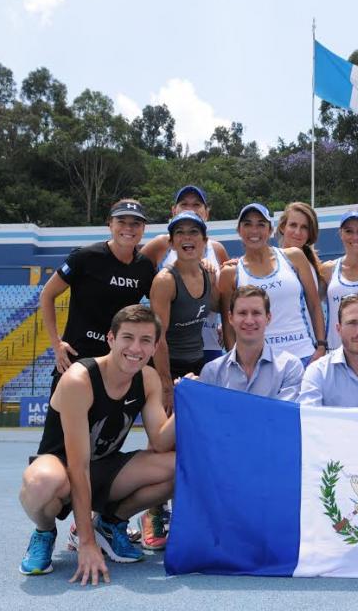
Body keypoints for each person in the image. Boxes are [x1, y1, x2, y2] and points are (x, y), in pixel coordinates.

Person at [18, 305, 175, 584]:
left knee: (178, 467)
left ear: (154, 347)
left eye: (145, 341)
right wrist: (86, 543)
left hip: (105, 467)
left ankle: (110, 523)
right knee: (42, 483)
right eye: (127, 337)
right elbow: (78, 468)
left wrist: (188, 399)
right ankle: (45, 532)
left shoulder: (148, 378)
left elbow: (161, 443)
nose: (135, 348)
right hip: (63, 467)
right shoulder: (80, 380)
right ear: (111, 339)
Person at [141, 210, 218, 551]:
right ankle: (152, 512)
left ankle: (186, 512)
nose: (188, 238)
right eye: (180, 233)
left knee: (192, 443)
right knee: (162, 443)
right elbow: (158, 337)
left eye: (194, 233)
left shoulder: (208, 274)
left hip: (196, 365)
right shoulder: (165, 280)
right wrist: (167, 385)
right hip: (164, 369)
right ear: (171, 242)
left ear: (204, 241)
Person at [40, 199, 156, 391]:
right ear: (110, 224)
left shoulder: (145, 268)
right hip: (77, 357)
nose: (128, 228)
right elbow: (47, 294)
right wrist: (56, 343)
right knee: (63, 420)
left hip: (118, 361)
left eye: (135, 223)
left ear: (143, 228)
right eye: (121, 221)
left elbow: (160, 308)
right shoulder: (85, 257)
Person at [219, 203, 326, 365]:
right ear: (239, 231)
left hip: (304, 357)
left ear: (270, 230)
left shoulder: (294, 257)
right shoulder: (230, 273)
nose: (254, 231)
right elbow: (229, 326)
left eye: (261, 224)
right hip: (261, 364)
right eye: (247, 224)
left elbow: (314, 305)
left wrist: (321, 347)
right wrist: (240, 364)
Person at [141, 185, 229, 362]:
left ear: (207, 213)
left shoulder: (217, 249)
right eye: (184, 204)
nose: (190, 209)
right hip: (173, 347)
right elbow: (130, 277)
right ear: (174, 210)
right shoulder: (160, 245)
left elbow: (225, 302)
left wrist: (224, 324)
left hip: (210, 344)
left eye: (197, 204)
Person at [197, 285, 304, 400]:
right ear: (230, 318)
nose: (249, 321)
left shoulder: (289, 367)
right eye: (242, 313)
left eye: (256, 313)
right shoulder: (212, 372)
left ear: (268, 318)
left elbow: (284, 415)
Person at [320, 209, 358, 351]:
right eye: (349, 231)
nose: (355, 237)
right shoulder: (328, 270)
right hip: (334, 352)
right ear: (341, 234)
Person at [276, 201, 325, 298]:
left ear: (310, 232)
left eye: (304, 227)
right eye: (293, 225)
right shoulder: (270, 263)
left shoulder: (319, 269)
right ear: (282, 227)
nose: (298, 232)